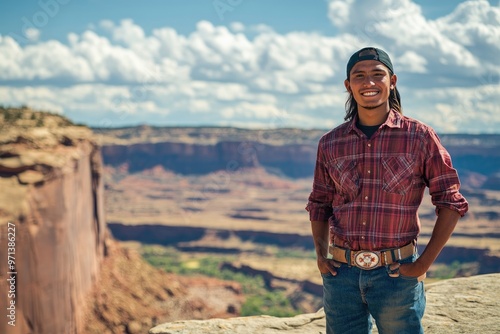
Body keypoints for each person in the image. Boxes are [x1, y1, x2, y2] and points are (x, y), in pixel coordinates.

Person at [306, 47, 468, 334]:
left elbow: (451, 201)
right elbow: (319, 203)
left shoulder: (419, 137)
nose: (369, 83)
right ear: (348, 85)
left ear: (392, 81)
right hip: (341, 276)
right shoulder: (331, 143)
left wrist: (422, 264)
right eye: (360, 76)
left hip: (396, 275)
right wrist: (321, 255)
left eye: (377, 75)